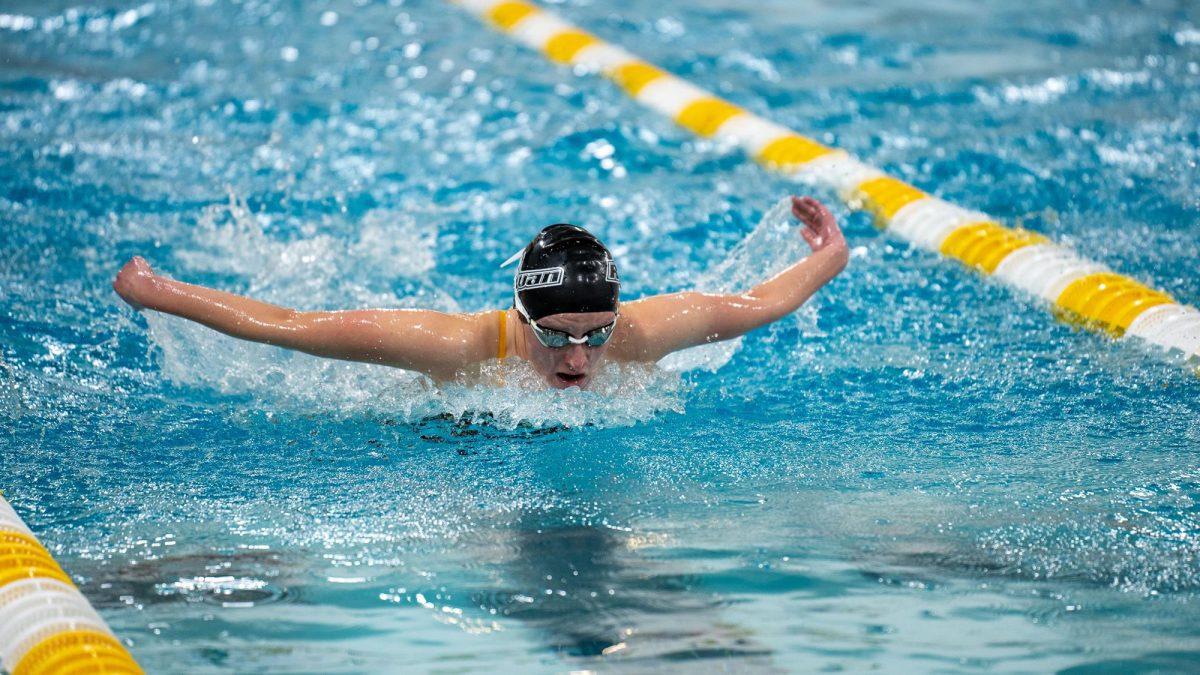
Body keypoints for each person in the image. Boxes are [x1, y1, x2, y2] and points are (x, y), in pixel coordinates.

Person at [113, 196, 848, 390]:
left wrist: (832, 254)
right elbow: (294, 325)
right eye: (558, 335)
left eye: (596, 333)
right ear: (522, 316)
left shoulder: (638, 335)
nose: (580, 359)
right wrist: (159, 291)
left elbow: (758, 305)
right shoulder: (460, 347)